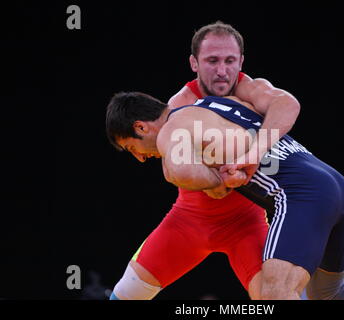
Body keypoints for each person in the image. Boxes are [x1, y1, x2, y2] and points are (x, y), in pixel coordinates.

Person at [105, 92, 344, 300]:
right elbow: (284, 103)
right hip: (338, 186)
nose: (141, 158)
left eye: (133, 148)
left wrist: (217, 181)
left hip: (304, 195)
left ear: (141, 127)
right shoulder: (219, 105)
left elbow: (178, 173)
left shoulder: (172, 129)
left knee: (274, 295)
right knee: (332, 294)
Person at [107, 21, 302, 300]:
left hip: (246, 223)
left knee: (276, 296)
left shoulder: (248, 90)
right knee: (124, 294)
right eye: (212, 61)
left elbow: (286, 103)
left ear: (240, 62)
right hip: (189, 221)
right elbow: (179, 171)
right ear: (194, 63)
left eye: (229, 61)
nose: (221, 71)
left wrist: (256, 151)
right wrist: (221, 179)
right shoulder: (178, 107)